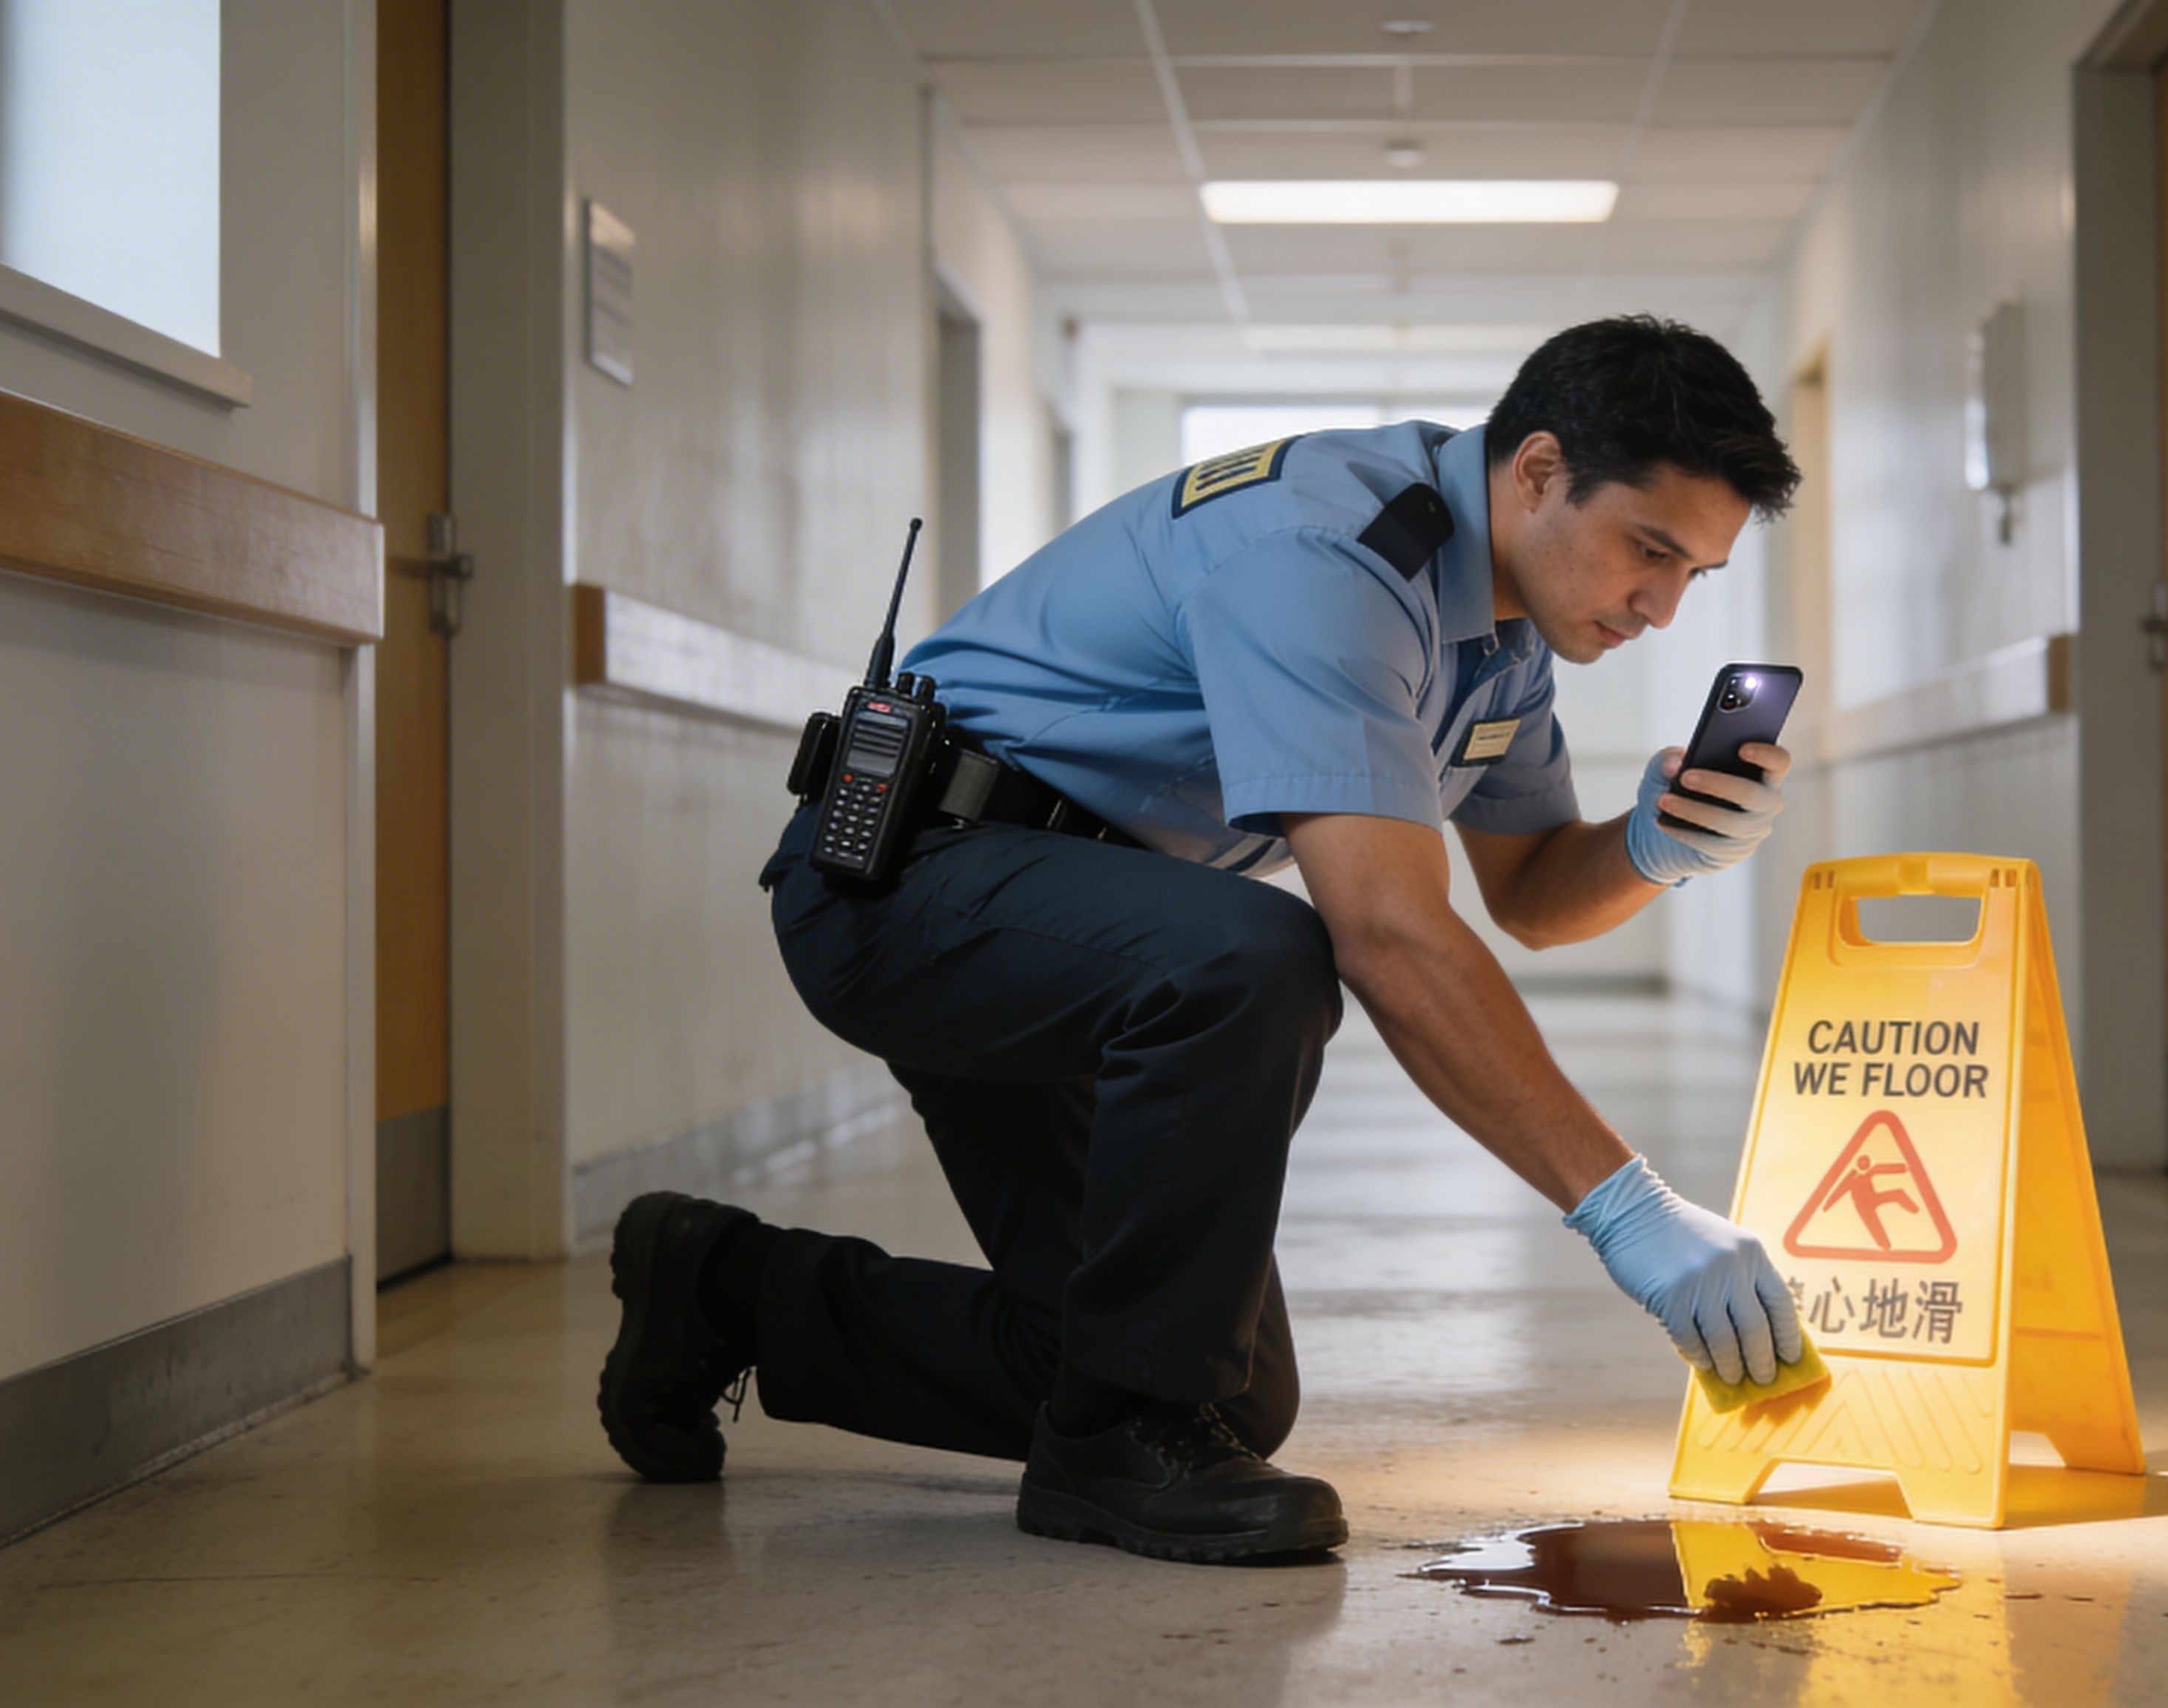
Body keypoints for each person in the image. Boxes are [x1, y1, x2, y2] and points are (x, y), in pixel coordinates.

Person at [595, 316, 1809, 1565]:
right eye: (1647, 551)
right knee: (1257, 959)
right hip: (914, 885)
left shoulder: (1499, 645)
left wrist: (1657, 845)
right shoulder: (1328, 555)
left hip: (1100, 946)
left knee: (1218, 1395)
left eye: (1693, 577)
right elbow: (1388, 933)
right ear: (1540, 471)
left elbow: (1536, 896)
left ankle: (723, 1289)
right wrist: (1631, 1213)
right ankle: (1115, 1446)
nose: (1660, 608)